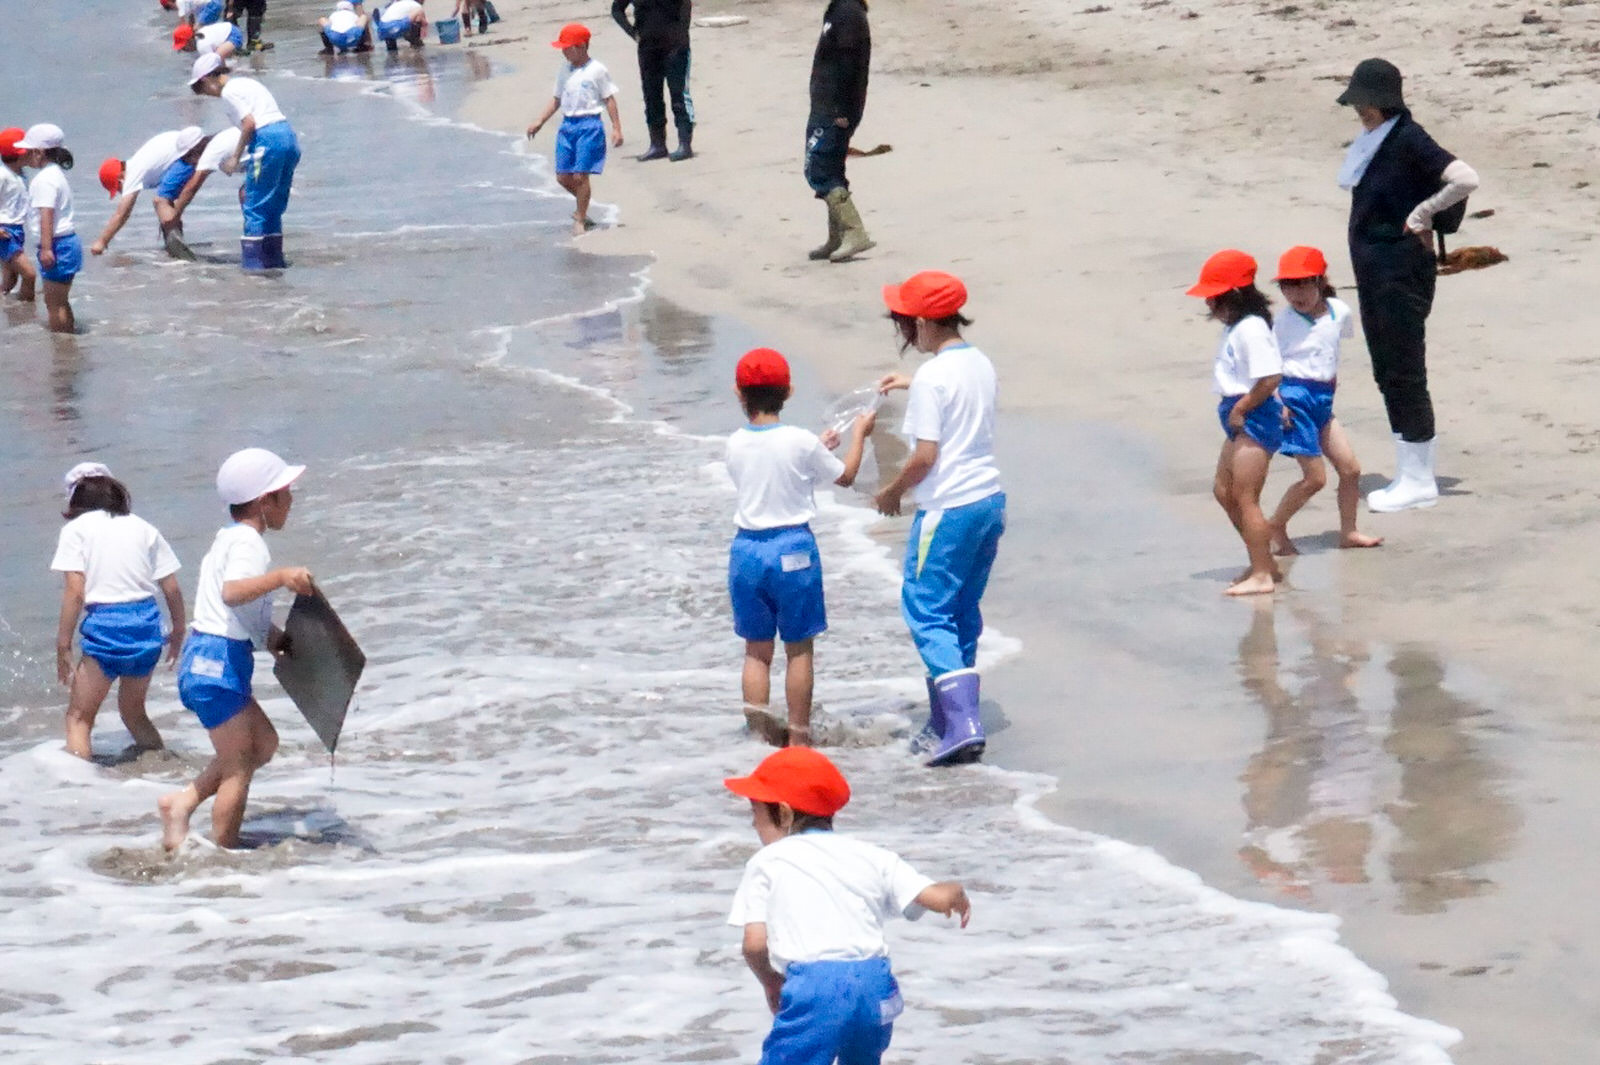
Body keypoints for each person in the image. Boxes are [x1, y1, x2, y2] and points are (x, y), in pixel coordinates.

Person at [724, 747, 971, 1065]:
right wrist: (956, 892)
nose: (753, 825)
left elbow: (754, 944)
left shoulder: (767, 861)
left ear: (784, 814)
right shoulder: (871, 854)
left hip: (816, 990)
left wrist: (770, 980)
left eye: (755, 813)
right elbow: (935, 897)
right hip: (875, 987)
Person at [1337, 58, 1479, 512]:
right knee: (1386, 368)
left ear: (1388, 101)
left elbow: (1465, 178)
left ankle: (1418, 479)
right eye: (1357, 102)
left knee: (1403, 369)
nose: (1362, 110)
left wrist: (1421, 214)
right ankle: (1409, 471)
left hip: (1401, 272)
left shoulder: (1408, 138)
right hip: (1377, 271)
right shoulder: (1376, 139)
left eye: (1369, 102)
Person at [875, 272, 1004, 767]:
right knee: (961, 611)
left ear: (924, 322)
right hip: (988, 502)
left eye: (905, 322)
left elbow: (925, 455)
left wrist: (892, 491)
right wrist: (915, 382)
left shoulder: (933, 377)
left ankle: (963, 724)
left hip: (946, 508)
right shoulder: (978, 362)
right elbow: (961, 397)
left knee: (925, 608)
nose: (904, 331)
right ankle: (948, 721)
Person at [158, 448, 313, 852]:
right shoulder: (248, 543)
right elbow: (233, 593)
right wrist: (281, 576)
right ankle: (223, 851)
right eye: (286, 492)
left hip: (210, 660)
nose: (291, 500)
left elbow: (241, 610)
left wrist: (275, 638)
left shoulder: (228, 539)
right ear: (266, 501)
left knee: (263, 743)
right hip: (216, 663)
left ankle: (183, 802)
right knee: (240, 764)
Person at [726, 347, 874, 748]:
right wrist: (858, 436)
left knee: (756, 651)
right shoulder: (801, 441)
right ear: (788, 392)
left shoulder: (735, 444)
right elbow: (845, 477)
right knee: (798, 649)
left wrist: (815, 451)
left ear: (739, 393)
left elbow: (774, 472)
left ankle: (758, 736)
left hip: (747, 551)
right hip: (792, 548)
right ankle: (799, 737)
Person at [51, 463, 186, 760]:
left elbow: (75, 591)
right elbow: (171, 587)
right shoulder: (143, 527)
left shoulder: (75, 531)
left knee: (79, 717)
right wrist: (178, 630)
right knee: (134, 713)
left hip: (107, 628)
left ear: (76, 500)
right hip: (147, 625)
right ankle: (159, 763)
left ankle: (81, 787)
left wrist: (63, 645)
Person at [1266, 245, 1383, 555]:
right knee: (1314, 478)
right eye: (1288, 285)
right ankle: (1275, 524)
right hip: (1294, 399)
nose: (1295, 293)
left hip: (1323, 400)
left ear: (1319, 281)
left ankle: (1349, 531)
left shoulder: (1338, 311)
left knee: (1350, 469)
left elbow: (1330, 348)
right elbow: (1268, 366)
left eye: (1303, 283)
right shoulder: (1283, 321)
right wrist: (1278, 403)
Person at [1188, 249, 1284, 597]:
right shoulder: (1239, 327)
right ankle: (1263, 561)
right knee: (1224, 491)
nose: (1210, 307)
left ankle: (1262, 573)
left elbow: (1270, 377)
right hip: (1241, 412)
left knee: (1246, 497)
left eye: (1215, 298)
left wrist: (1242, 407)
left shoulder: (1251, 330)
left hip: (1253, 414)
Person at [189, 53, 301, 270]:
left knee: (254, 203)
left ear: (207, 79)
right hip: (288, 137)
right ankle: (275, 264)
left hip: (267, 140)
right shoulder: (247, 83)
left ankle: (255, 270)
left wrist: (234, 158)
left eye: (202, 89)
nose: (207, 95)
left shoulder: (229, 92)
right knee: (273, 206)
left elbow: (249, 124)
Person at [525, 24, 624, 238]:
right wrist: (539, 121)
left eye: (567, 48)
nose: (563, 52)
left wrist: (616, 128)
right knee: (563, 177)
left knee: (581, 176)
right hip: (567, 126)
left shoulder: (597, 70)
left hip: (589, 125)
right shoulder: (564, 70)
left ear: (581, 47)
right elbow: (557, 99)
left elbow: (609, 99)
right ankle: (584, 206)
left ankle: (580, 217)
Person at [804, 0, 872, 263]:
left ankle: (855, 233)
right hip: (827, 104)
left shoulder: (848, 13)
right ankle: (838, 235)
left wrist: (842, 110)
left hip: (835, 108)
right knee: (829, 167)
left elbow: (848, 66)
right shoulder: (840, 9)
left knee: (820, 168)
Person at [89, 127, 210, 257]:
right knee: (166, 203)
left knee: (160, 201)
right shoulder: (139, 162)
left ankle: (179, 253)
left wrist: (102, 242)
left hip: (188, 153)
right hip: (189, 149)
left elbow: (122, 214)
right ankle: (176, 245)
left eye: (117, 188)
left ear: (120, 177)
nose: (120, 192)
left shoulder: (133, 172)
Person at [17, 123, 81, 334]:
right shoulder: (56, 174)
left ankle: (63, 347)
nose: (25, 155)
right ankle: (69, 340)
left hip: (57, 244)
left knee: (55, 304)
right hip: (67, 243)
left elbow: (47, 214)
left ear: (38, 153)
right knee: (61, 301)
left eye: (28, 151)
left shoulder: (44, 180)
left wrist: (46, 248)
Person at [611, 0, 693, 162]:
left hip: (676, 47)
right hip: (647, 48)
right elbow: (616, 9)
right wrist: (633, 33)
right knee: (651, 96)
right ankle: (657, 144)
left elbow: (685, 5)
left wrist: (681, 32)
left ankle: (685, 143)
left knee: (679, 96)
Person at [0, 127, 36, 303]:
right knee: (29, 274)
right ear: (20, 154)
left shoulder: (21, 174)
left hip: (17, 230)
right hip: (4, 233)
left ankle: (11, 313)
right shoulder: (3, 175)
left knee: (10, 280)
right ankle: (28, 310)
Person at [173, 19, 246, 58]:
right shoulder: (198, 35)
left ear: (190, 40)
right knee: (218, 55)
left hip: (234, 35)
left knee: (217, 57)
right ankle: (237, 55)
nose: (184, 51)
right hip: (229, 29)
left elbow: (212, 62)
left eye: (183, 48)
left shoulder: (202, 46)